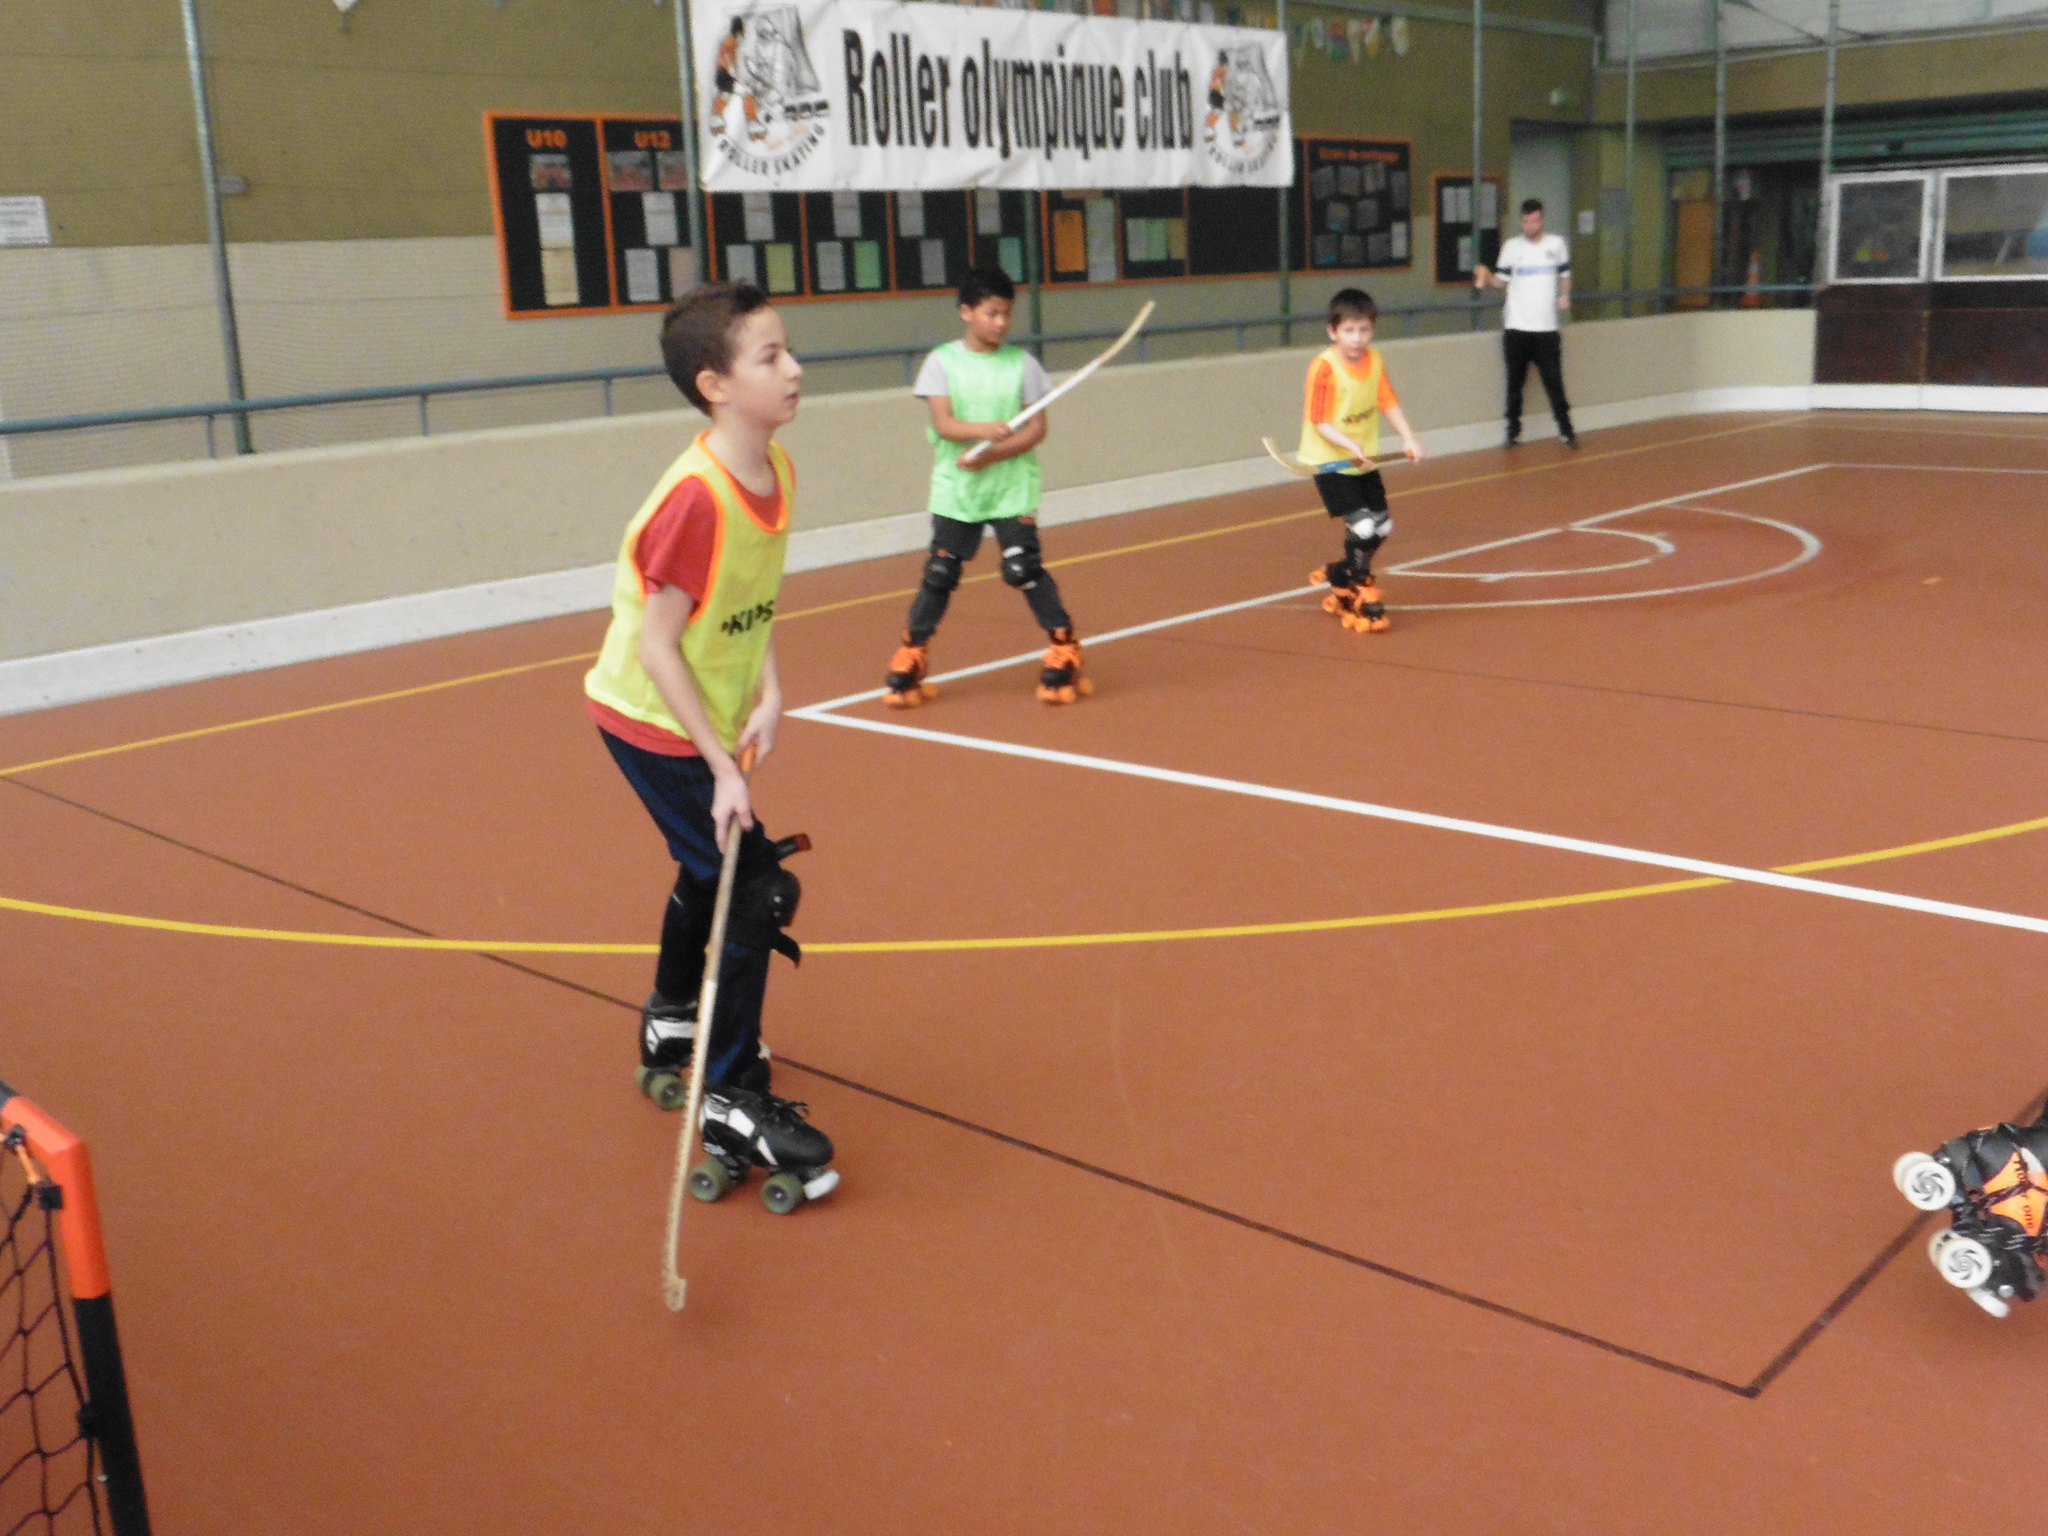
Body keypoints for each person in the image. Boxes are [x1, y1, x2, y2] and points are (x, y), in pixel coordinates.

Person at [583, 281, 835, 1201]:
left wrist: (770, 689)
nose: (794, 368)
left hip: (706, 717)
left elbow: (746, 607)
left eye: (788, 349)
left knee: (708, 871)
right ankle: (730, 1096)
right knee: (753, 887)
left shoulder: (776, 471)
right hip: (652, 722)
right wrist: (722, 768)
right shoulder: (698, 500)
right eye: (770, 357)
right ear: (715, 385)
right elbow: (658, 645)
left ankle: (673, 1019)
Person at [882, 266, 1090, 707]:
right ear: (966, 312)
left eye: (1006, 314)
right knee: (941, 573)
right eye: (991, 313)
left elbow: (1036, 430)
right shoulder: (941, 362)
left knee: (1022, 569)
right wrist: (982, 432)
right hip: (958, 490)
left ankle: (1064, 645)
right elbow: (944, 424)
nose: (1001, 323)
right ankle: (912, 651)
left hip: (1011, 486)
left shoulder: (1023, 364)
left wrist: (994, 453)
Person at [1299, 288, 1424, 633]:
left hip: (1365, 461)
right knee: (1364, 527)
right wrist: (1350, 447)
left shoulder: (1375, 361)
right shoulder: (1324, 368)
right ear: (1332, 331)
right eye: (1349, 330)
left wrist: (1408, 437)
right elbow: (1320, 422)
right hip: (1332, 462)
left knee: (1383, 526)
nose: (1357, 338)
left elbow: (1387, 401)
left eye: (1364, 330)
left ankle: (1339, 573)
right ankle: (1359, 584)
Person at [1475, 197, 1577, 448]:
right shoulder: (1511, 247)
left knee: (1554, 383)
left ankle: (1566, 431)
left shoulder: (1556, 244)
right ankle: (1512, 432)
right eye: (1526, 221)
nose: (1531, 226)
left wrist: (1565, 295)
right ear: (1521, 221)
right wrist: (1486, 278)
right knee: (1514, 384)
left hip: (1546, 330)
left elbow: (1565, 275)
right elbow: (1501, 282)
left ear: (1542, 219)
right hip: (1516, 328)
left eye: (1535, 220)